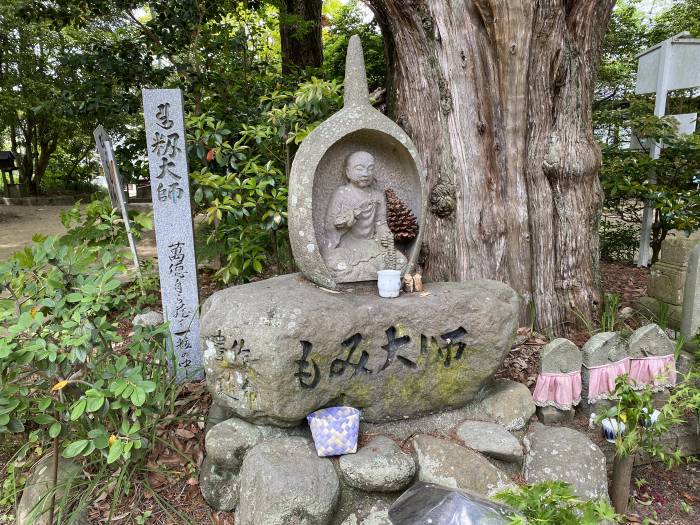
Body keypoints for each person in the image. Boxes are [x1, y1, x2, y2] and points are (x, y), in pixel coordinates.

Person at [323, 150, 406, 281]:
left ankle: (361, 273)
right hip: (347, 245)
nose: (365, 174)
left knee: (401, 262)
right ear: (348, 172)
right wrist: (345, 223)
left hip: (371, 244)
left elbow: (381, 223)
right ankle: (368, 273)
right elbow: (329, 226)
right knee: (334, 264)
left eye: (370, 169)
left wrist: (385, 235)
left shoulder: (377, 195)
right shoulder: (341, 194)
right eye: (359, 169)